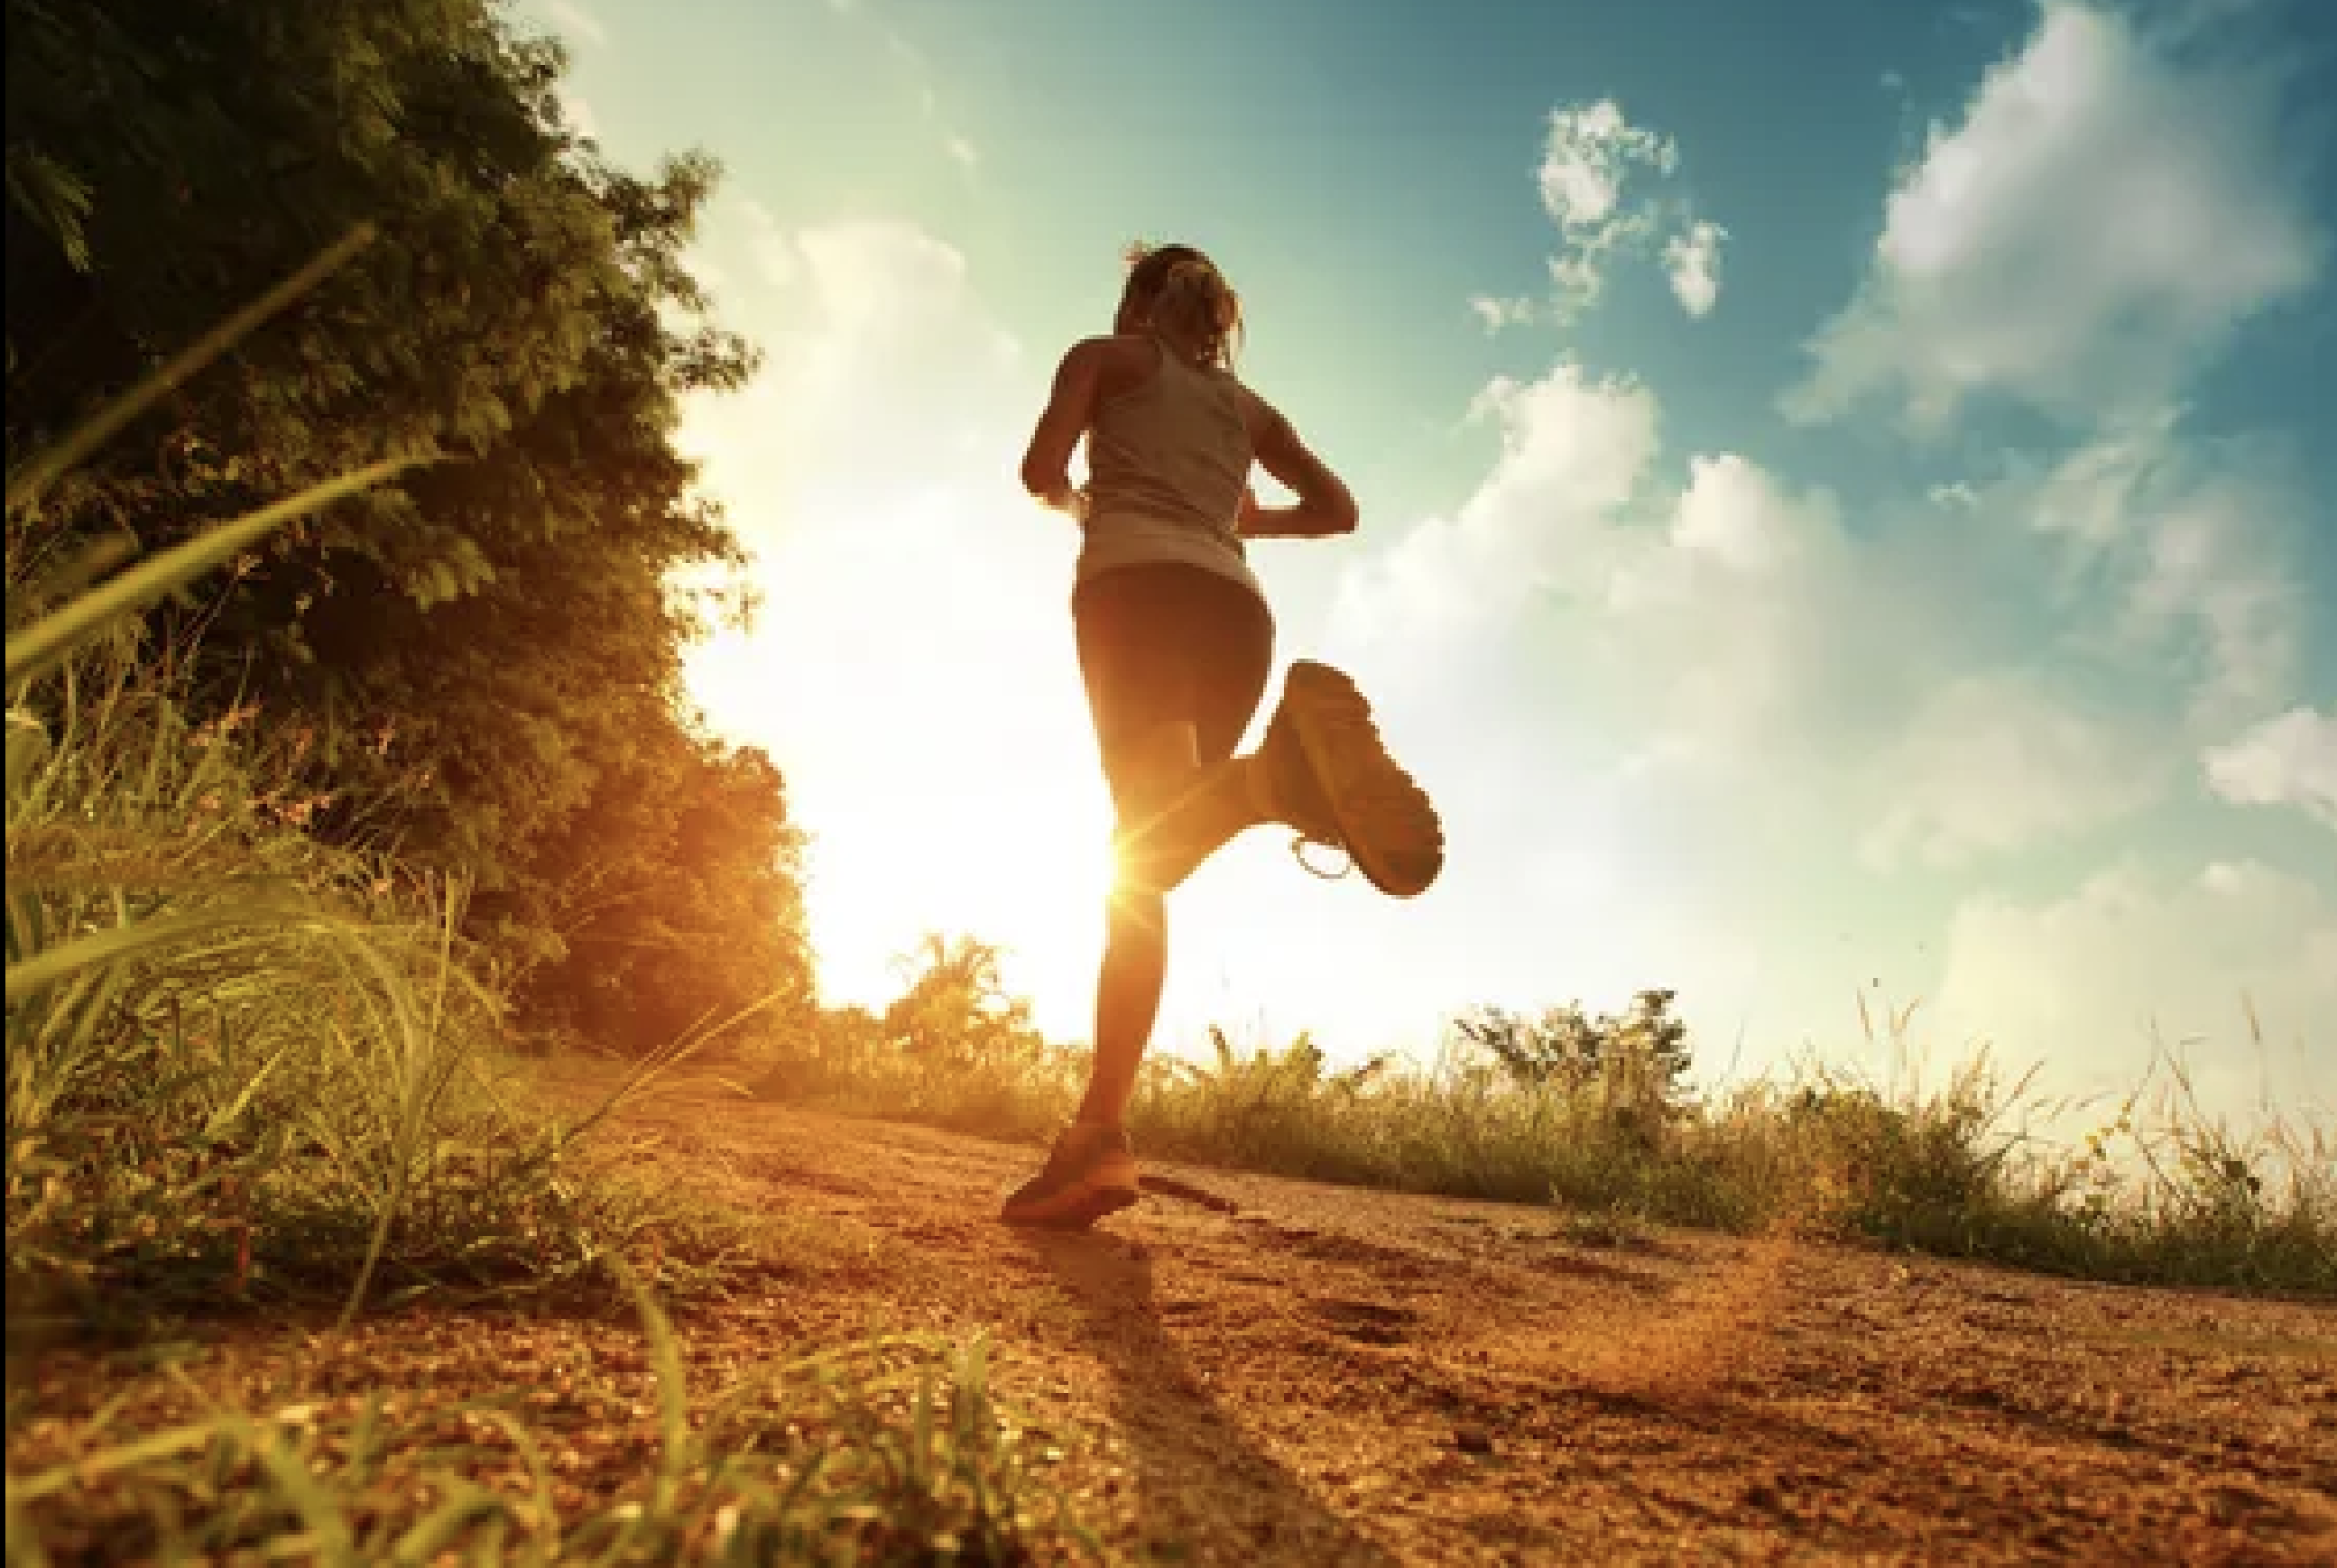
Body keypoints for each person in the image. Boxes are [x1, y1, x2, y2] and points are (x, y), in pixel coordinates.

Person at [1002, 240, 1444, 1229]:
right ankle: (1098, 1137)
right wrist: (1246, 524)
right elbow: (1337, 510)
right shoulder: (1248, 411)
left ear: (1135, 303)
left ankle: (1268, 783)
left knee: (1143, 853)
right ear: (1217, 319)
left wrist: (1083, 504)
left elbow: (1038, 468)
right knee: (1150, 857)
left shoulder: (1105, 360)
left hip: (1135, 593)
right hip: (1235, 614)